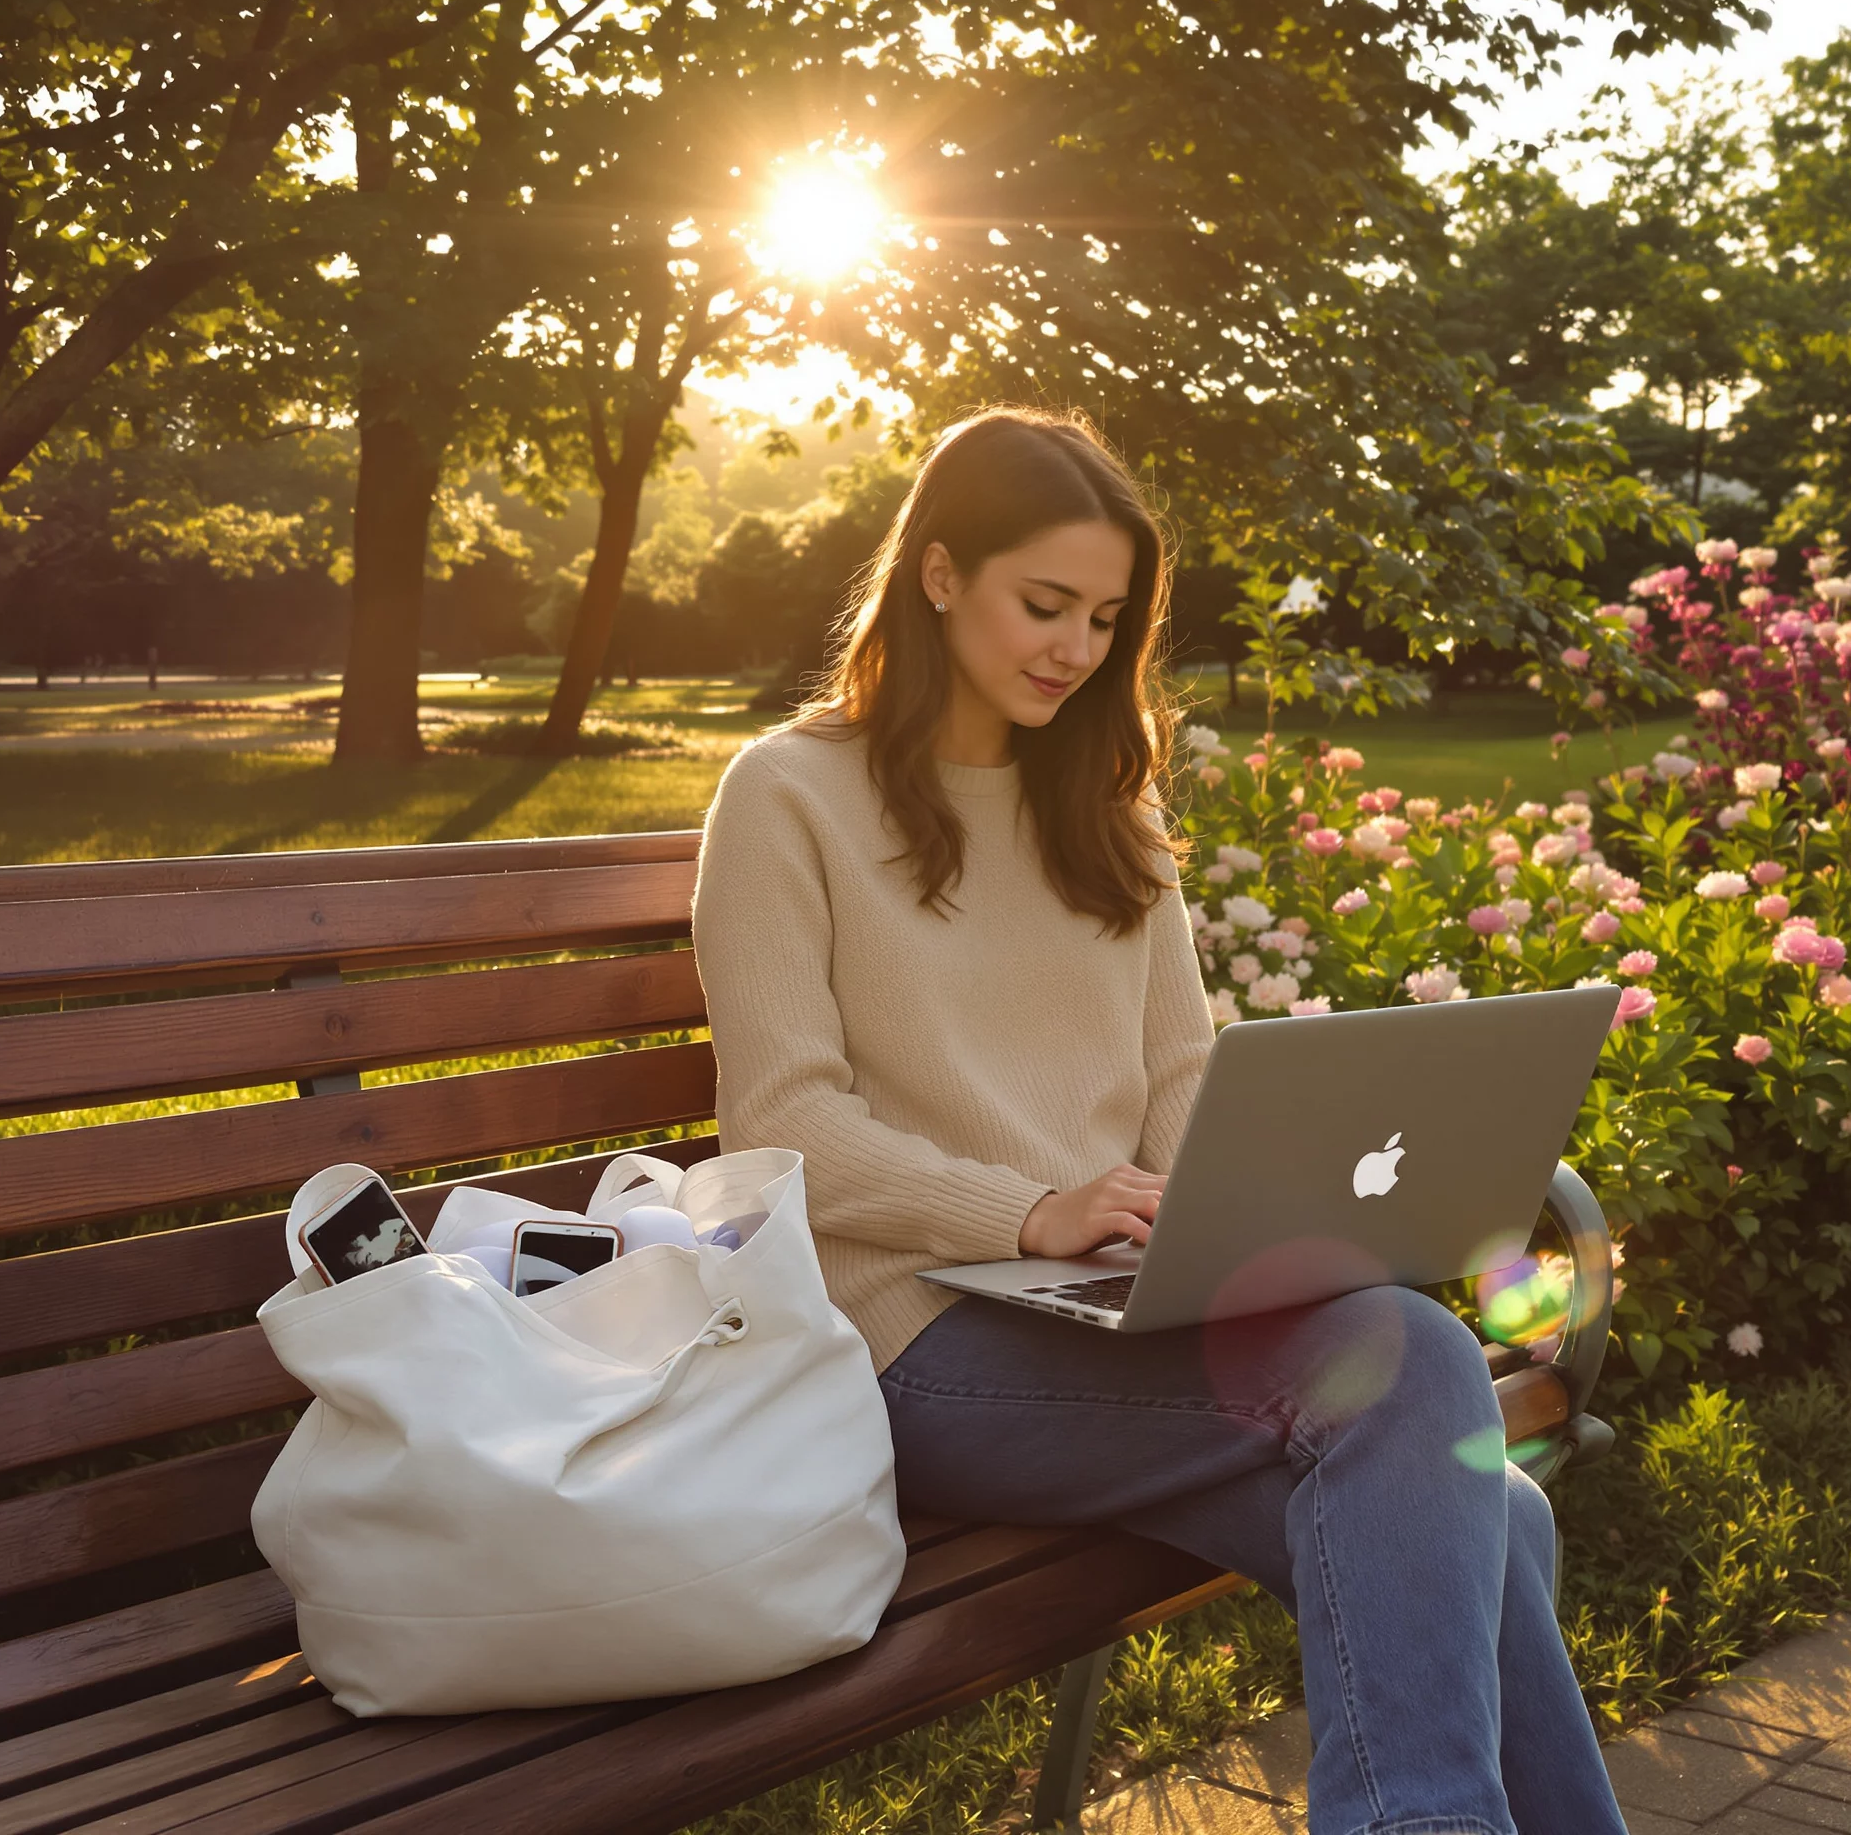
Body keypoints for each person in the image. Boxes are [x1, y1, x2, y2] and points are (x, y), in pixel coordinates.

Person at [691, 407, 1626, 1835]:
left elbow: (1185, 1075)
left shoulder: (1109, 809)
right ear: (939, 576)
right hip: (910, 1343)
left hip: (1111, 1309)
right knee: (1418, 1373)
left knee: (1500, 1516)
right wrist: (1022, 1215)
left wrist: (1268, 1221)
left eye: (1104, 618)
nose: (1073, 649)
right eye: (1042, 605)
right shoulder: (786, 796)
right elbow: (781, 1121)